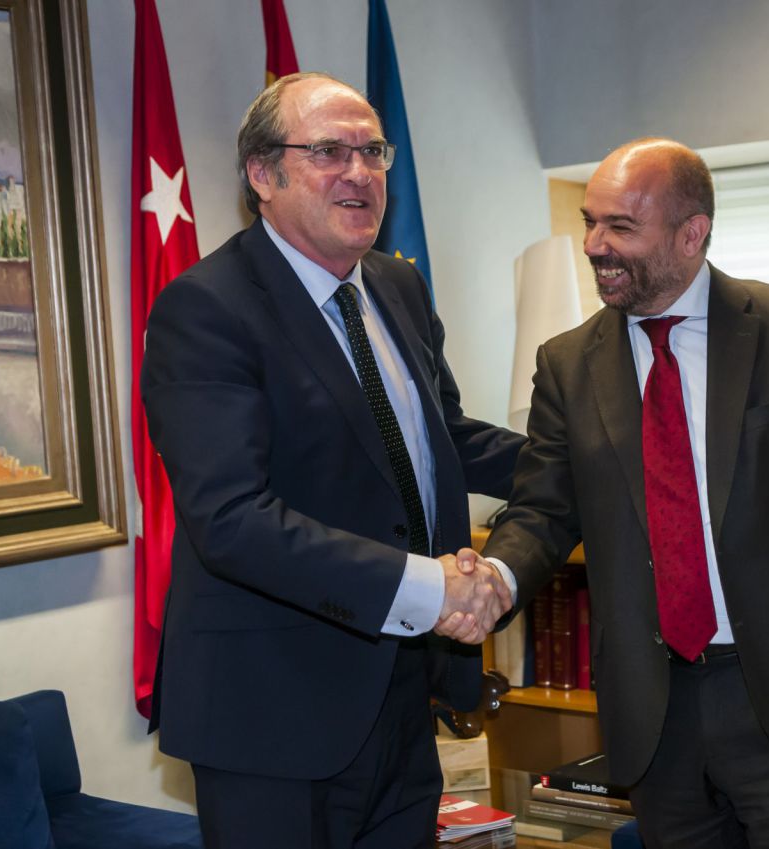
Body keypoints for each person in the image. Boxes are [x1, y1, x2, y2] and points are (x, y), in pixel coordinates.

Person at [480, 137, 769, 848]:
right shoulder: (566, 365)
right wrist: (497, 578)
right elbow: (542, 509)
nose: (595, 244)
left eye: (620, 226)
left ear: (692, 233)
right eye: (591, 221)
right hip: (655, 713)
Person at [140, 72, 524, 849]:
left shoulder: (395, 283)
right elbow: (231, 519)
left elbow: (441, 439)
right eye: (328, 150)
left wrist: (596, 459)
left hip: (403, 692)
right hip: (271, 716)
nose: (361, 172)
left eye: (373, 150)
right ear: (261, 174)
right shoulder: (205, 308)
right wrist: (429, 585)